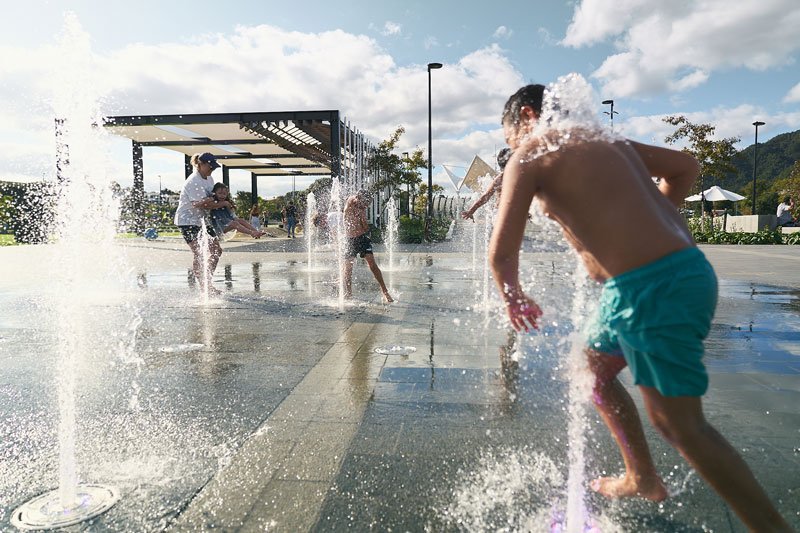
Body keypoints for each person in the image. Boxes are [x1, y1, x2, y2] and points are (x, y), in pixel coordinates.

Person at [489, 84, 791, 532]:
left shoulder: (531, 153)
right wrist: (661, 218)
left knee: (681, 426)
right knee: (588, 369)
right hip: (660, 280)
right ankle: (641, 476)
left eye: (510, 135)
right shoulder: (606, 142)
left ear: (528, 116)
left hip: (653, 290)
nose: (512, 146)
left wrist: (512, 294)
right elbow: (686, 166)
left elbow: (500, 253)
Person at [173, 152, 225, 295]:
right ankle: (205, 287)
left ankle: (208, 282)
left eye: (214, 166)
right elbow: (201, 204)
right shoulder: (193, 181)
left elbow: (211, 199)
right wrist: (218, 202)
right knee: (199, 253)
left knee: (216, 251)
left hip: (201, 220)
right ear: (200, 164)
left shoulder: (209, 178)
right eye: (210, 166)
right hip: (187, 221)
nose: (212, 169)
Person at [343, 190, 393, 303]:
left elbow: (365, 226)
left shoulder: (361, 208)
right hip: (349, 240)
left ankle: (385, 292)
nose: (366, 206)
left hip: (362, 238)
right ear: (358, 198)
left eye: (367, 204)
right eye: (365, 203)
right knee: (348, 269)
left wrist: (364, 225)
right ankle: (348, 294)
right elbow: (352, 202)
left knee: (372, 264)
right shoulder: (350, 203)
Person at [461, 148, 513, 221]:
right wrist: (471, 211)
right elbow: (485, 197)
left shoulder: (520, 177)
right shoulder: (500, 179)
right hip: (500, 214)